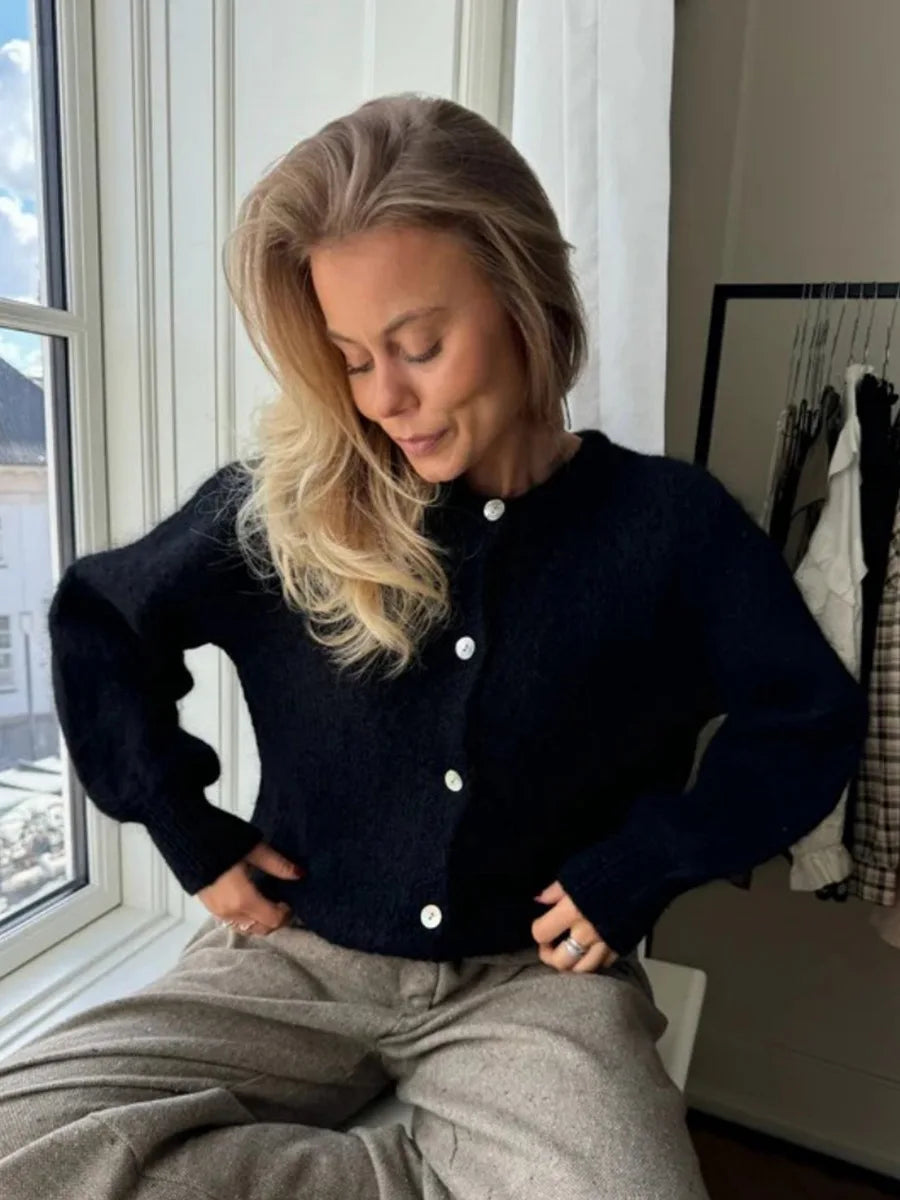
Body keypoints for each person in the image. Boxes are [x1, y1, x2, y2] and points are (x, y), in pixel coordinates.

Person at [0, 93, 866, 1199]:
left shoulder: (670, 527)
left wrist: (650, 859)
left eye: (417, 347)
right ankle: (401, 1176)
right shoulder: (291, 505)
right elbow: (101, 619)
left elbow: (805, 716)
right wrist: (185, 827)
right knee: (20, 1146)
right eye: (353, 359)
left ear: (524, 296)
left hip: (536, 983)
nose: (385, 398)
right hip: (298, 957)